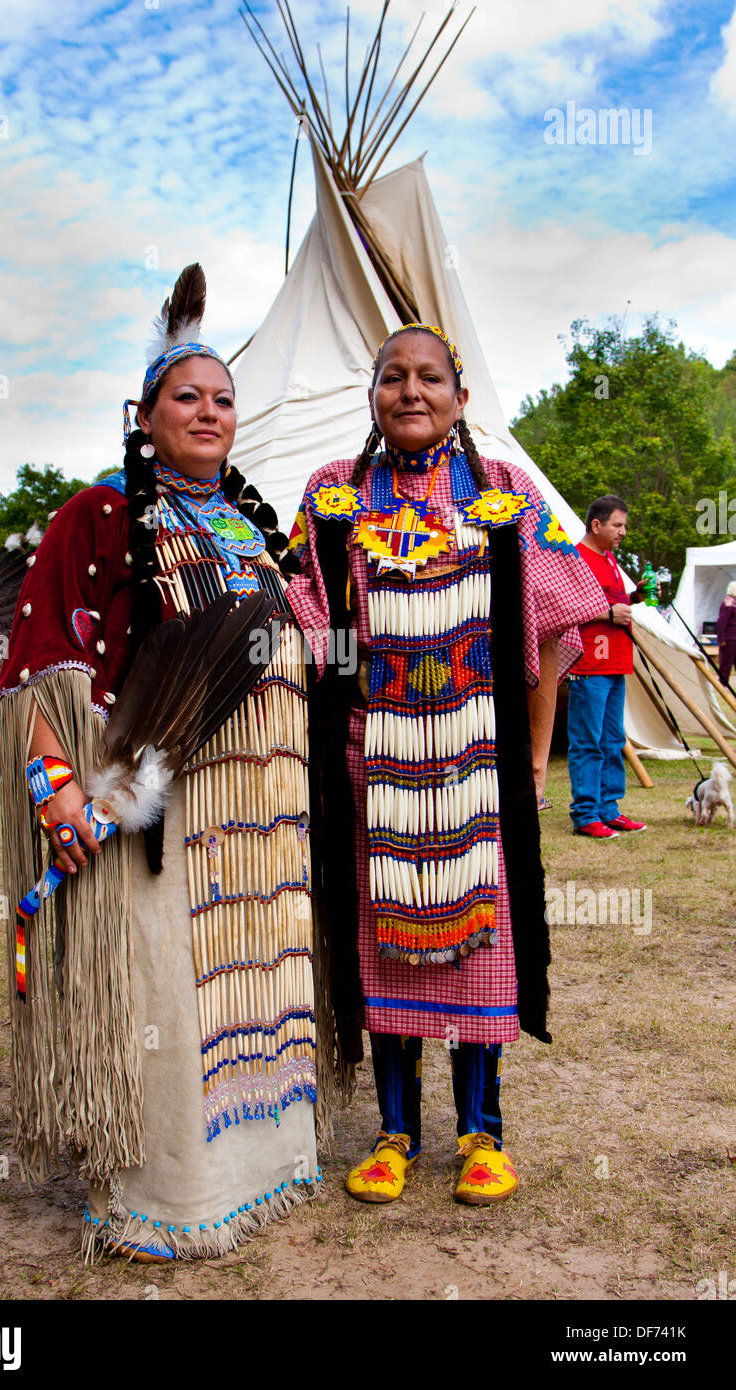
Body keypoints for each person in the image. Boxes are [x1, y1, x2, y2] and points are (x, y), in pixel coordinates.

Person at [0, 266, 319, 1261]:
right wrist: (59, 788)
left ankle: (264, 1171)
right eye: (188, 396)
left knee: (260, 988)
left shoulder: (259, 528)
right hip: (156, 821)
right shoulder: (94, 517)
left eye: (224, 399)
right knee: (168, 1002)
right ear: (143, 414)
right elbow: (39, 663)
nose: (210, 412)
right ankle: (168, 1195)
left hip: (266, 815)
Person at [285, 323, 604, 1205]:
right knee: (384, 937)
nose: (411, 392)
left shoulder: (503, 491)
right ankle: (393, 1135)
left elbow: (556, 625)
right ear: (374, 395)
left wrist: (534, 760)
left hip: (476, 762)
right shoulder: (333, 498)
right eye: (394, 378)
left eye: (430, 378)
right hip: (374, 761)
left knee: (481, 945)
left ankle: (480, 1134)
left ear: (461, 399)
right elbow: (307, 619)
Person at [567, 495, 649, 840]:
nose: (623, 532)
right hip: (590, 662)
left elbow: (612, 605)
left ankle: (609, 809)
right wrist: (608, 613)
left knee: (613, 739)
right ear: (596, 525)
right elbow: (564, 606)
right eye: (618, 524)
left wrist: (633, 599)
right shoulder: (575, 558)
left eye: (624, 525)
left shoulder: (610, 559)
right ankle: (585, 813)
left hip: (616, 660)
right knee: (588, 741)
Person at [716, 581, 736, 689]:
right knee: (726, 663)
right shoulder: (728, 603)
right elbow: (722, 622)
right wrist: (721, 638)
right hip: (729, 639)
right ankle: (722, 685)